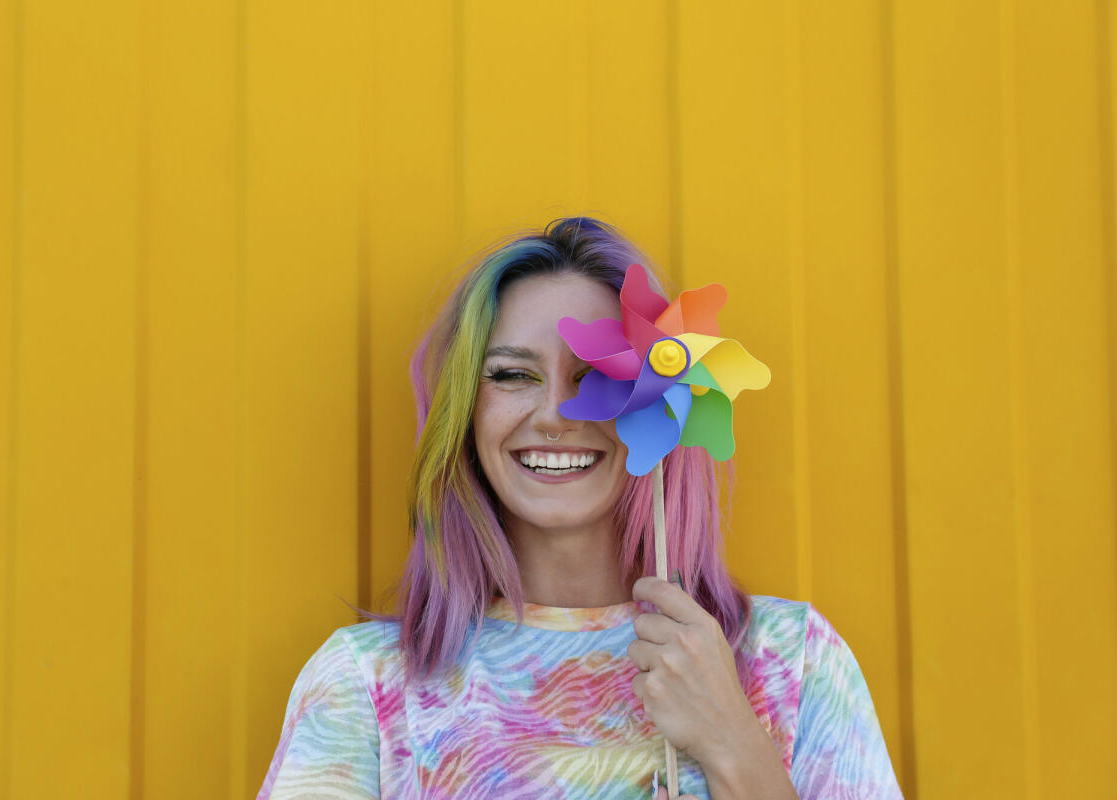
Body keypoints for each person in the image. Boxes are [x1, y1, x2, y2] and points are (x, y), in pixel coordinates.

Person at [257, 218, 904, 799]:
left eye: (597, 376)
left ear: (661, 402)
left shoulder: (792, 662)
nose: (557, 415)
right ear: (464, 410)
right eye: (512, 375)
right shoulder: (367, 684)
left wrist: (734, 744)